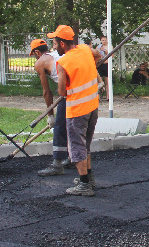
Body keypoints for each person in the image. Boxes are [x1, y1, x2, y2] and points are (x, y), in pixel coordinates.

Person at [47, 24, 102, 197]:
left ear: (62, 44)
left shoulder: (63, 63)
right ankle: (89, 177)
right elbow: (98, 55)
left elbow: (62, 91)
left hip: (77, 110)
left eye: (55, 43)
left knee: (77, 147)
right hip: (93, 106)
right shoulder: (85, 50)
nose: (54, 47)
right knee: (85, 145)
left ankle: (84, 184)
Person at [30, 38, 70, 176]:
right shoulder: (57, 53)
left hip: (69, 92)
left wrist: (50, 115)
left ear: (36, 52)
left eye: (34, 54)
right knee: (72, 125)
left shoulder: (40, 63)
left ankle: (57, 164)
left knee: (59, 126)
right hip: (78, 89)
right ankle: (72, 157)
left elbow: (47, 92)